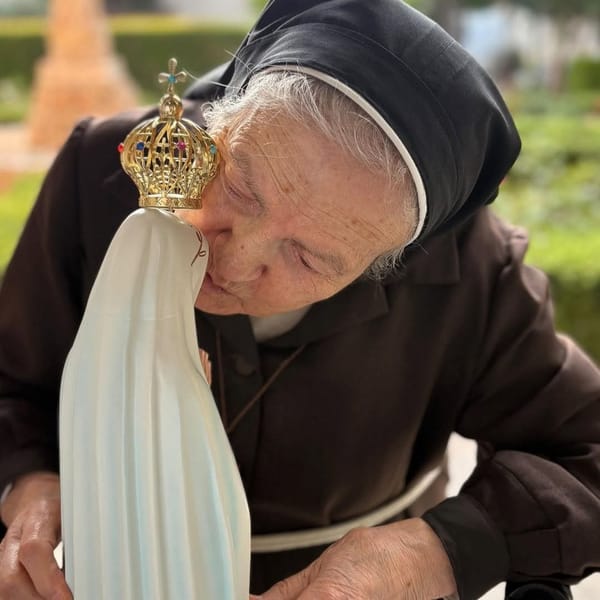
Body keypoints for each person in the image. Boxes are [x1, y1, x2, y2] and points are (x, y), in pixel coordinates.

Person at [0, 0, 599, 598]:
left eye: (308, 258)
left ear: (387, 261)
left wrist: (438, 549)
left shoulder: (472, 268)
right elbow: (11, 382)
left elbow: (586, 453)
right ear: (221, 122)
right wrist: (28, 482)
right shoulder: (108, 171)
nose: (232, 262)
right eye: (239, 187)